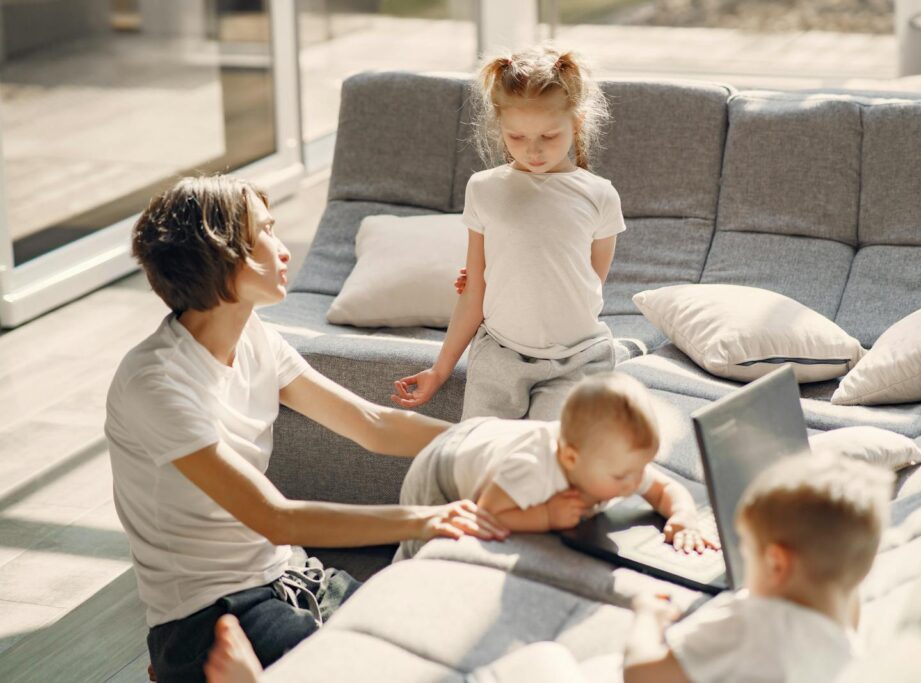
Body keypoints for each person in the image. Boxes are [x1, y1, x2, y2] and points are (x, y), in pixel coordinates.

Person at [106, 175, 507, 683]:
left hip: (291, 577)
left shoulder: (254, 339)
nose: (282, 248)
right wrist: (425, 520)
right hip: (209, 616)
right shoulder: (155, 383)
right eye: (265, 233)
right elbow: (276, 518)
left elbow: (372, 424)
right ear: (221, 254)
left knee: (432, 648)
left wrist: (493, 439)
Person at [391, 44, 625, 421]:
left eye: (549, 136)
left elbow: (590, 282)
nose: (532, 151)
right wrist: (440, 369)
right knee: (483, 460)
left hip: (577, 359)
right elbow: (475, 292)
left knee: (554, 464)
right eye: (516, 137)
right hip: (499, 356)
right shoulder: (483, 189)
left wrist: (526, 273)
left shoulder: (600, 195)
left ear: (576, 123)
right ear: (500, 128)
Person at [623, 453, 894, 683]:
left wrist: (647, 615)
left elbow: (641, 674)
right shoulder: (852, 644)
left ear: (776, 563)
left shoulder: (747, 623)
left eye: (746, 552)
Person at [394, 372, 721, 561]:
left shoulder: (620, 465)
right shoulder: (533, 469)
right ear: (570, 459)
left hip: (494, 440)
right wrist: (546, 516)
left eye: (642, 468)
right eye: (623, 476)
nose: (635, 483)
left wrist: (684, 517)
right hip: (442, 470)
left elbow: (666, 489)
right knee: (426, 542)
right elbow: (487, 512)